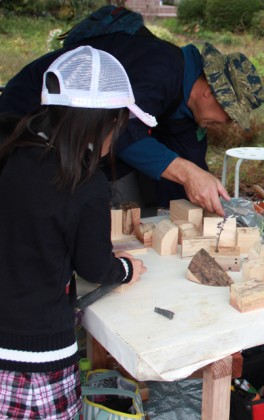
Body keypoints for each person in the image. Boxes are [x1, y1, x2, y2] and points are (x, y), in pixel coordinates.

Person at [0, 6, 264, 216]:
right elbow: (122, 132)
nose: (226, 124)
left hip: (83, 140)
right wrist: (186, 173)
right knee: (43, 214)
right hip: (30, 121)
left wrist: (208, 199)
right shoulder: (159, 68)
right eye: (229, 116)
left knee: (138, 197)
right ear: (210, 94)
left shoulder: (189, 108)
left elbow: (189, 166)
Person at [0, 46, 147, 419]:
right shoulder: (85, 185)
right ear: (102, 124)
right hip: (38, 353)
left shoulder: (15, 156)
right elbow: (94, 266)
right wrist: (126, 269)